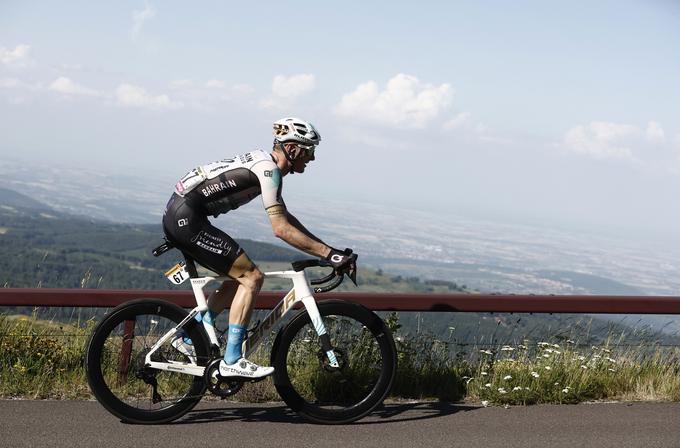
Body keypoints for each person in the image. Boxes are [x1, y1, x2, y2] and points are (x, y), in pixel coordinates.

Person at [162, 117, 357, 379]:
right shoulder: (268, 170)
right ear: (294, 148)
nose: (311, 158)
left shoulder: (265, 165)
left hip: (183, 215)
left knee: (236, 279)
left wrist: (328, 250)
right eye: (309, 150)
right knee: (252, 277)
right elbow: (281, 229)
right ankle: (232, 359)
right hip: (187, 219)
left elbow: (286, 219)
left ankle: (189, 335)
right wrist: (329, 254)